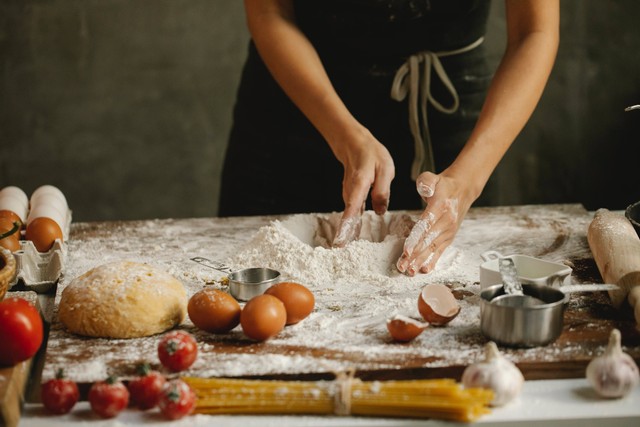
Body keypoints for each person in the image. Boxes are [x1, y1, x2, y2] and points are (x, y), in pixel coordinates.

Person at [219, 0, 559, 276]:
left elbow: (535, 30)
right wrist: (343, 132)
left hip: (451, 117)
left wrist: (467, 180)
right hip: (297, 105)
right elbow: (269, 11)